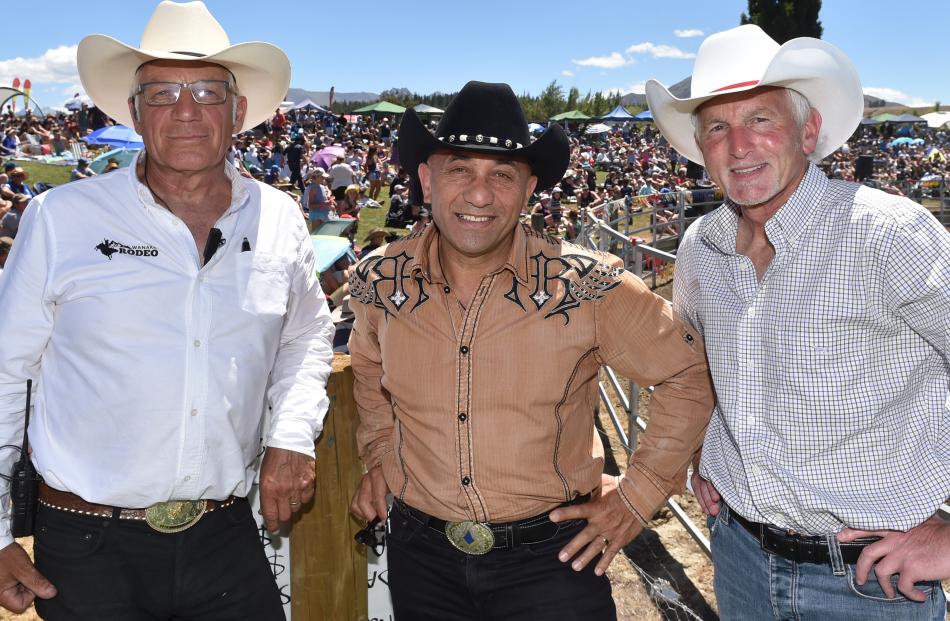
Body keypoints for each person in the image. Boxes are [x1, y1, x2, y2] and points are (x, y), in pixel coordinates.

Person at [0, 2, 335, 619]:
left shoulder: (280, 216)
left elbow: (307, 336)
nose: (185, 111)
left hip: (224, 534)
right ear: (133, 111)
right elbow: (3, 373)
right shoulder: (61, 219)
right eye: (161, 93)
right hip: (86, 539)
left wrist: (291, 436)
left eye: (207, 91)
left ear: (237, 111)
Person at [347, 80, 715, 620]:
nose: (478, 194)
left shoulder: (588, 284)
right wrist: (381, 454)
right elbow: (367, 368)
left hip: (551, 559)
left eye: (501, 175)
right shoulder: (380, 280)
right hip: (420, 555)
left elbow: (688, 372)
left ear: (529, 189)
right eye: (459, 170)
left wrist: (638, 496)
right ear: (426, 179)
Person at [645, 24, 950, 620]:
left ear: (808, 131)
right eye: (716, 127)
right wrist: (704, 452)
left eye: (760, 119)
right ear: (700, 148)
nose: (738, 146)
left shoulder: (889, 233)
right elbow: (698, 365)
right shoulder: (700, 246)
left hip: (872, 580)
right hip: (738, 556)